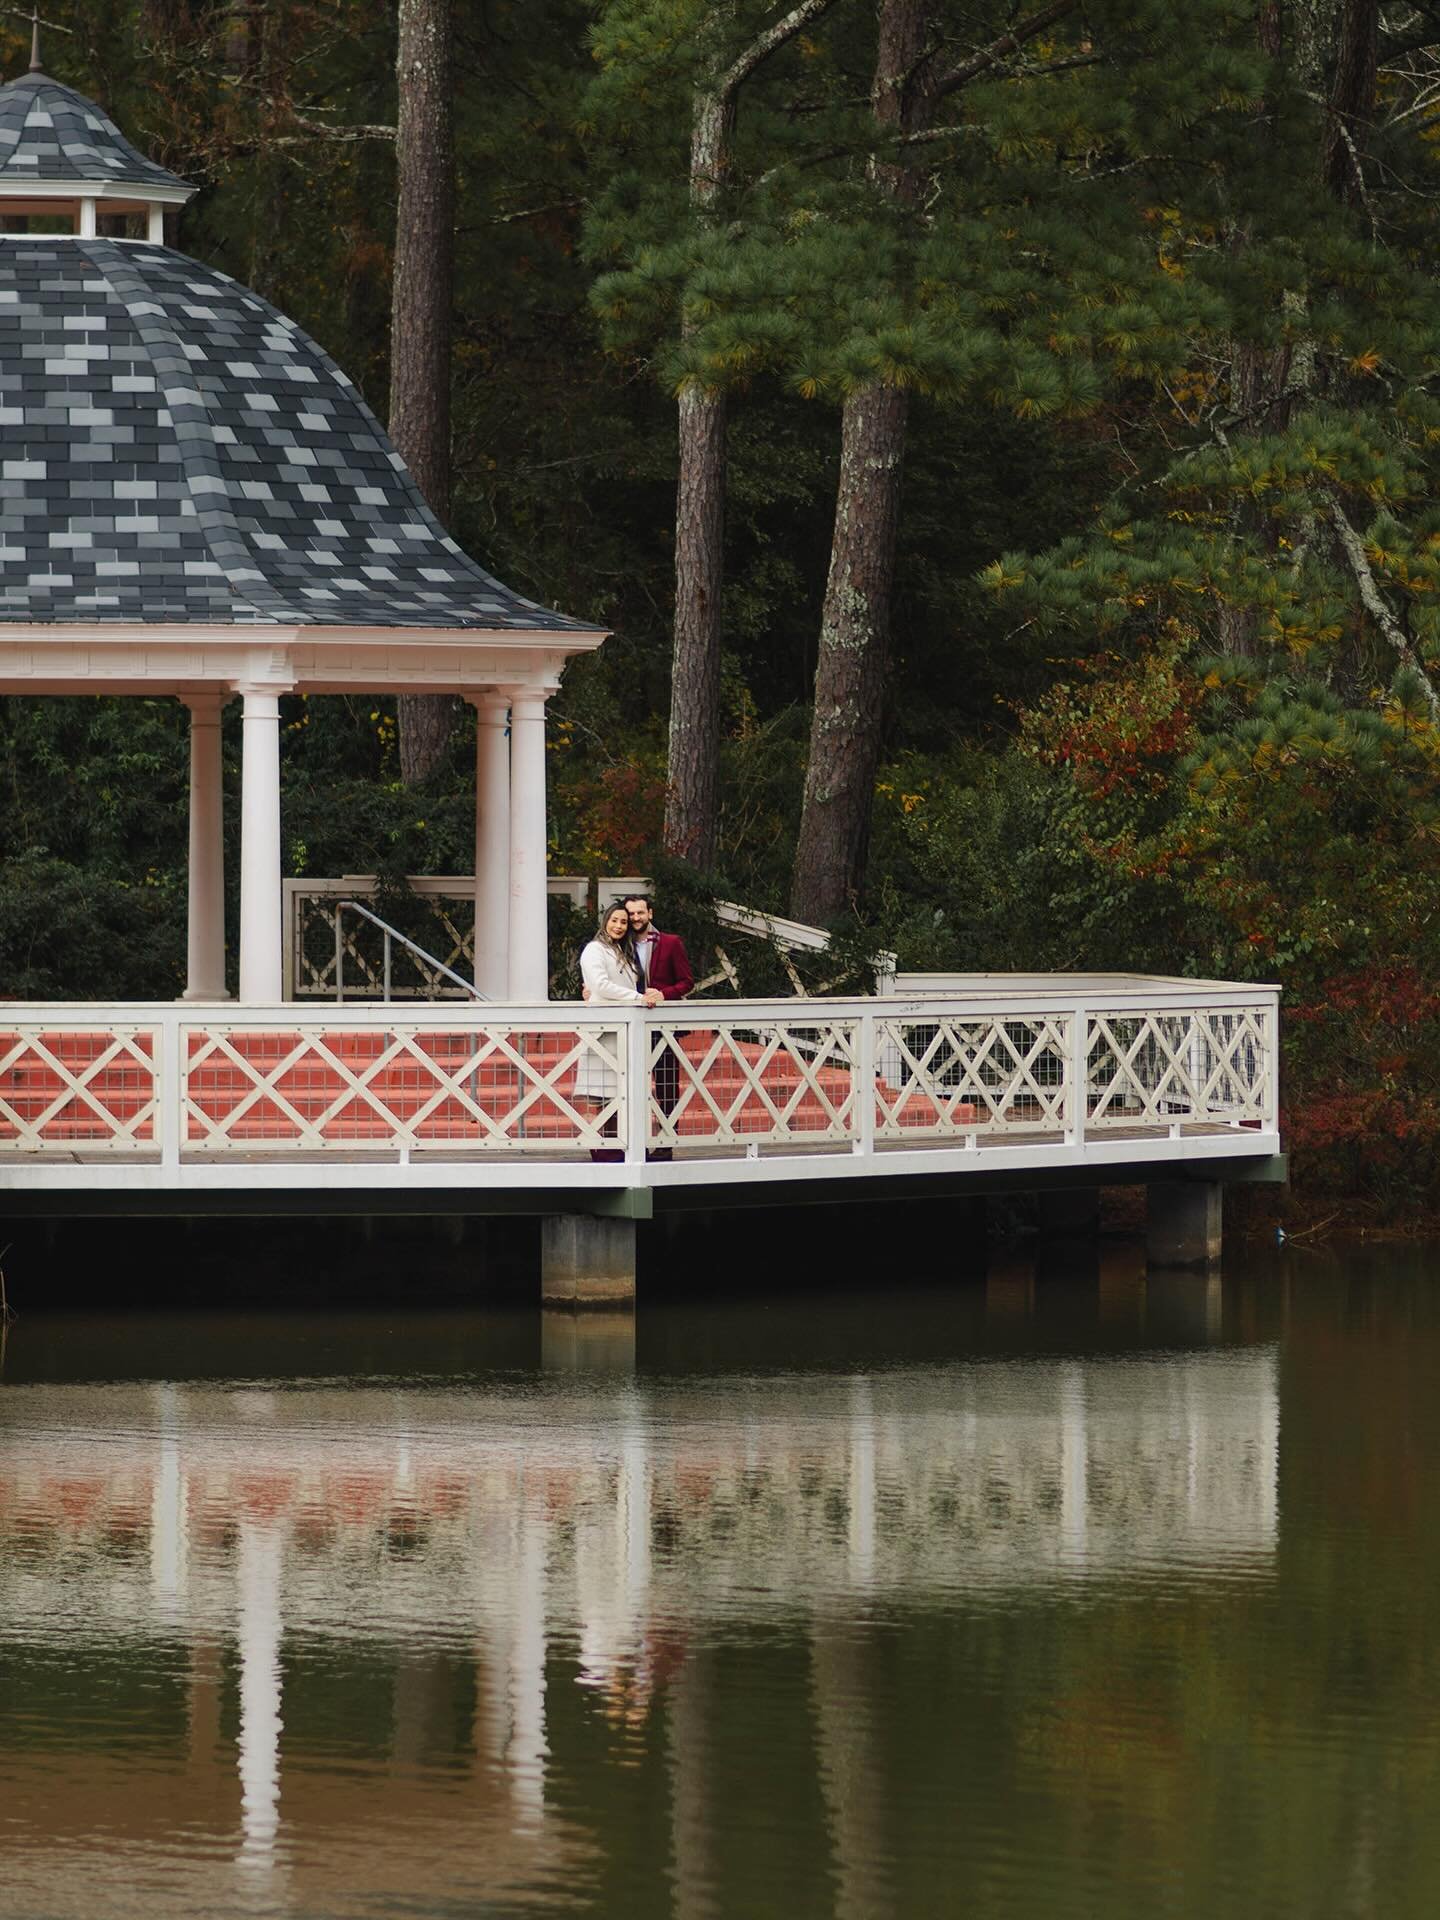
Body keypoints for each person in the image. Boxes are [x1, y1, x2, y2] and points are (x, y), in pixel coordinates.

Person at [575, 905, 663, 1161]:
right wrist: (637, 998)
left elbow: (627, 981)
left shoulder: (623, 951)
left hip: (622, 1029)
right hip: (603, 1029)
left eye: (623, 922)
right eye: (615, 920)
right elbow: (600, 984)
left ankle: (621, 1144)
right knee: (601, 1093)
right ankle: (600, 1146)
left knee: (622, 1091)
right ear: (605, 921)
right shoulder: (594, 949)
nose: (619, 926)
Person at [624, 893, 693, 1160]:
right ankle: (634, 1143)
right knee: (631, 1085)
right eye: (631, 914)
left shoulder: (671, 943)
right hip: (629, 1025)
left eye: (640, 913)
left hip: (663, 1026)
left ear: (650, 913)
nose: (635, 918)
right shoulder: (620, 944)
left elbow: (687, 981)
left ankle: (665, 1142)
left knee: (666, 1084)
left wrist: (664, 994)